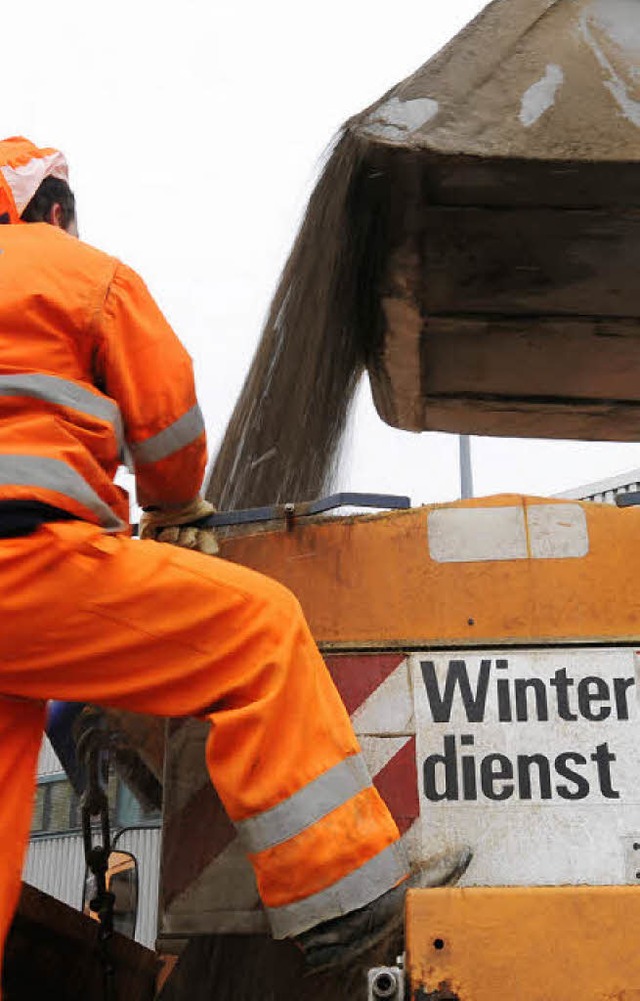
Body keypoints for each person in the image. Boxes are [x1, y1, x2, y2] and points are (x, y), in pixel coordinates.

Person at [0, 137, 470, 985]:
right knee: (259, 631)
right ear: (56, 211)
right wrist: (174, 506)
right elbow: (170, 417)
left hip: (23, 628)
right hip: (28, 569)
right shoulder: (78, 273)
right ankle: (348, 908)